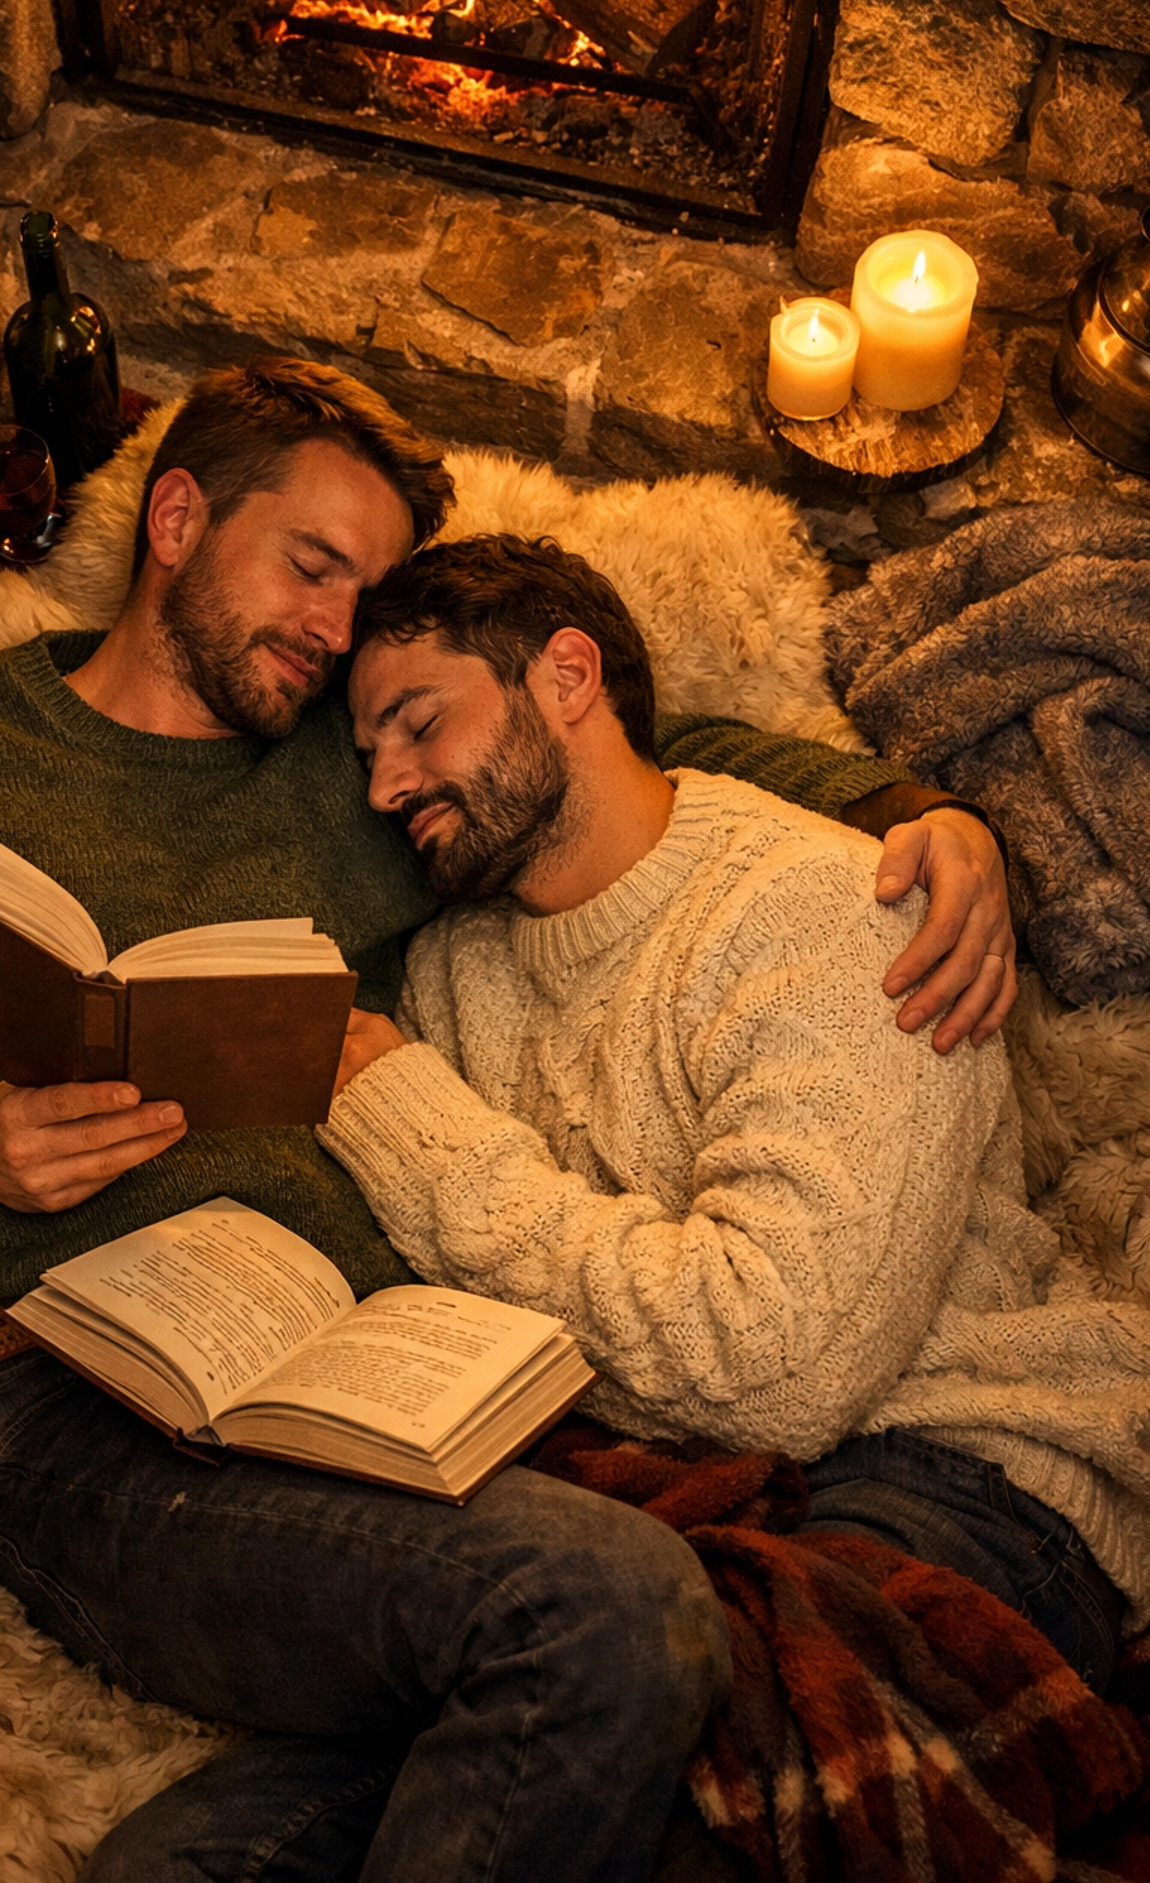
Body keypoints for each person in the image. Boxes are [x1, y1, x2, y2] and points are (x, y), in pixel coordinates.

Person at [0, 360, 1016, 1883]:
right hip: (71, 1395)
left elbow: (623, 752)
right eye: (312, 565)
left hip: (353, 1389)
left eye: (363, 596)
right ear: (177, 518)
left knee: (202, 1860)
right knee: (606, 1608)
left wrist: (926, 818)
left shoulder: (359, 772)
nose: (332, 624)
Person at [328, 533, 1150, 1710]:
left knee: (675, 1713)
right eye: (370, 755)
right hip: (653, 1495)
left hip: (951, 1456)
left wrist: (414, 1133)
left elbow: (776, 1371)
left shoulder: (834, 911)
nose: (386, 787)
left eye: (417, 724)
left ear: (568, 677)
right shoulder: (451, 975)